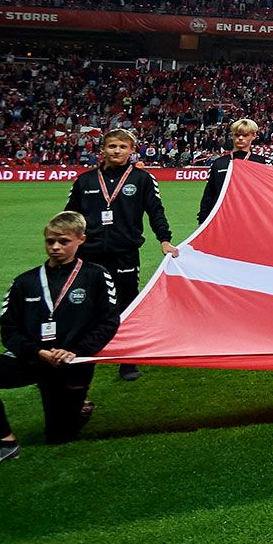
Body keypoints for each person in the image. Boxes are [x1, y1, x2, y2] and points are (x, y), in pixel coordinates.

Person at [0, 212, 123, 472]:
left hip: (71, 362)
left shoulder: (97, 277)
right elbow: (8, 329)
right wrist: (37, 351)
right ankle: (4, 441)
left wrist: (74, 351)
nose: (55, 247)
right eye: (49, 241)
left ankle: (79, 407)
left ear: (81, 240)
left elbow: (109, 322)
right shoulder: (25, 282)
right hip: (32, 358)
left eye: (63, 241)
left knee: (59, 437)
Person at [62, 129, 175, 382]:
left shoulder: (143, 179)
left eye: (122, 147)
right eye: (112, 146)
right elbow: (70, 216)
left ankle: (127, 358)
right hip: (88, 253)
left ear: (132, 150)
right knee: (86, 303)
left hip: (124, 252)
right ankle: (83, 353)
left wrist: (164, 239)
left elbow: (155, 210)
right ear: (102, 149)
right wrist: (66, 244)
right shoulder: (85, 181)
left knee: (126, 302)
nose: (116, 151)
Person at [197, 117, 258, 225]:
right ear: (232, 136)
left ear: (254, 136)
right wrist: (202, 221)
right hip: (221, 219)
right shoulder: (219, 163)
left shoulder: (262, 163)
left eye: (245, 135)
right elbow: (209, 194)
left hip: (251, 219)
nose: (240, 138)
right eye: (237, 135)